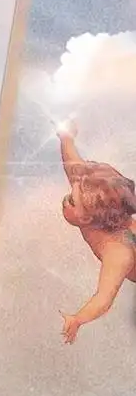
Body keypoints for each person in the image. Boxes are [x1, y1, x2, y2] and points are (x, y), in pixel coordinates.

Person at [57, 119, 136, 344]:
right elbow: (72, 164)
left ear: (88, 219)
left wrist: (78, 319)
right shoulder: (89, 197)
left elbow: (103, 298)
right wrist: (66, 137)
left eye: (71, 201)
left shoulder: (117, 251)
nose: (65, 200)